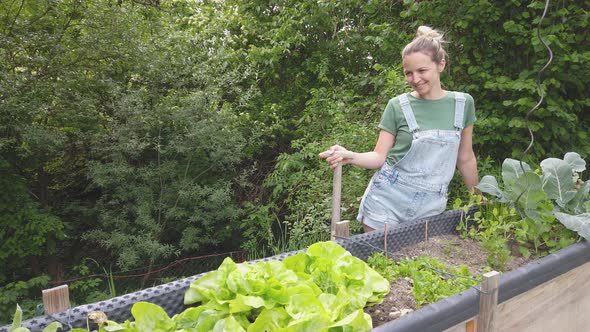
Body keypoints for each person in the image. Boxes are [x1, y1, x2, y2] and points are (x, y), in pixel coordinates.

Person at [319, 26, 479, 233]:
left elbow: (465, 158)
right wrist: (349, 156)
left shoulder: (462, 104)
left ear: (441, 65)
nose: (415, 79)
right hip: (386, 201)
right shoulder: (397, 106)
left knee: (418, 263)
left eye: (422, 71)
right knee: (382, 263)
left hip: (431, 207)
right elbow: (379, 156)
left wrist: (479, 200)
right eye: (408, 73)